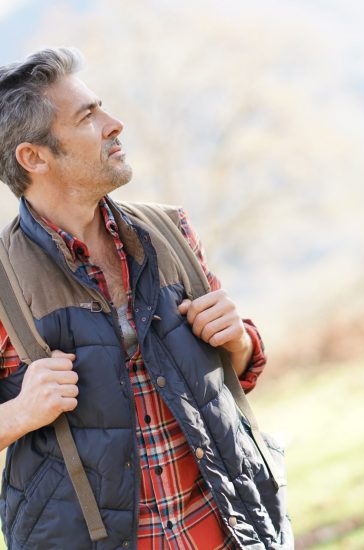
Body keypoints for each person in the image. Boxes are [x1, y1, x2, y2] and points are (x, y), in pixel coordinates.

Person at [0, 48, 290, 549]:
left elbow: (236, 367)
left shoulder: (170, 230)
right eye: (88, 117)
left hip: (228, 531)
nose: (115, 125)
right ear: (34, 156)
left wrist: (236, 338)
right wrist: (19, 413)